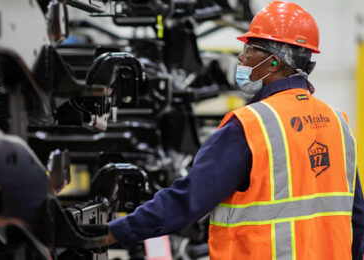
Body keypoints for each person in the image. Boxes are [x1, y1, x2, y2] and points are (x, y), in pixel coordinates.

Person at [105, 1, 364, 259]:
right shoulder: (338, 123)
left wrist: (117, 231)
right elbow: (358, 218)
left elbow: (188, 199)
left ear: (274, 62)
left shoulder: (250, 125)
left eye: (250, 48)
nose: (241, 57)